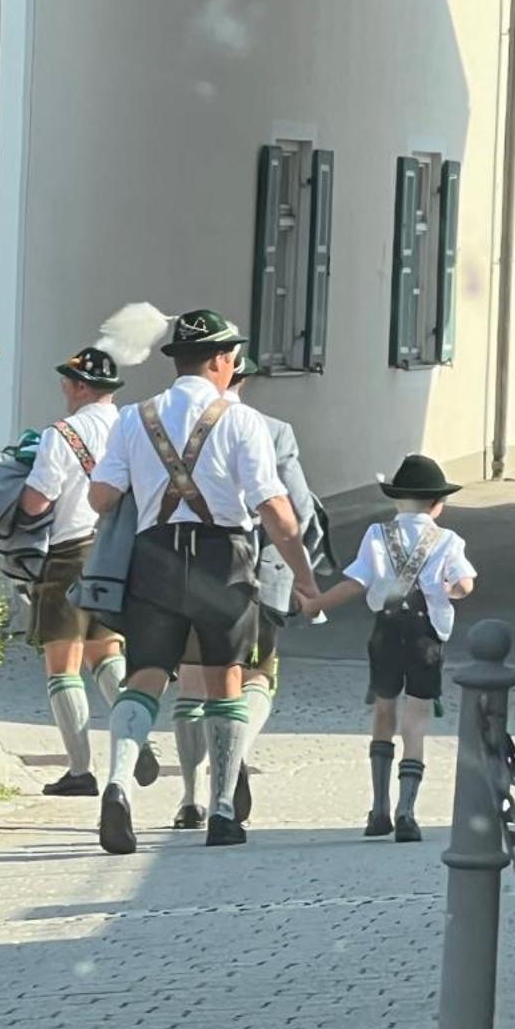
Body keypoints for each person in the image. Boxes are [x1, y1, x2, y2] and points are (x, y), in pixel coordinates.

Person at [87, 308, 322, 852]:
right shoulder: (241, 421)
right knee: (226, 680)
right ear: (219, 360)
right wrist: (304, 577)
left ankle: (118, 783)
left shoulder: (134, 417)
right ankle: (221, 810)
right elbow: (277, 511)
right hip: (224, 557)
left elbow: (100, 498)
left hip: (155, 555)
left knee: (143, 676)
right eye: (233, 355)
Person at [171, 351, 331, 830]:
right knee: (257, 676)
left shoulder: (166, 418)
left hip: (183, 568)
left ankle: (189, 797)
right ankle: (235, 749)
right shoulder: (273, 429)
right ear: (244, 379)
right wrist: (304, 575)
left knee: (193, 679)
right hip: (257, 571)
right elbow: (296, 509)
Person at [18, 346, 160, 796]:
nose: (63, 388)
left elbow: (38, 501)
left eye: (67, 381)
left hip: (70, 553)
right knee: (107, 653)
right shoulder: (133, 428)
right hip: (121, 551)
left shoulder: (61, 433)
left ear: (81, 386)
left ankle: (80, 770)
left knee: (63, 666)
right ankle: (138, 736)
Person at [314, 454, 475, 843]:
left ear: (395, 501)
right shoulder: (448, 540)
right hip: (425, 636)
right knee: (416, 721)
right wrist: (448, 591)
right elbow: (465, 585)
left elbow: (355, 582)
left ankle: (379, 809)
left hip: (385, 632)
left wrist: (315, 603)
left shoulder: (375, 535)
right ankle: (407, 811)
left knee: (384, 712)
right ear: (438, 505)